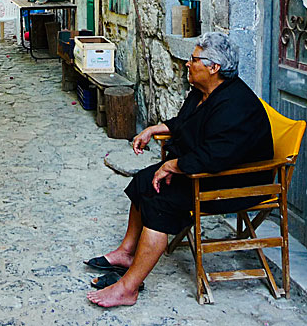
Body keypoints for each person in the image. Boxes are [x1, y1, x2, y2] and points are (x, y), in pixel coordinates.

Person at [85, 32, 272, 308]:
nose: (187, 63)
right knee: (145, 179)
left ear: (214, 67)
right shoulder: (202, 92)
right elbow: (186, 124)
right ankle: (127, 252)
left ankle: (128, 288)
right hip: (206, 170)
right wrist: (155, 129)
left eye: (194, 59)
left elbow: (216, 156)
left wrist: (175, 165)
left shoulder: (235, 105)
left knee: (162, 200)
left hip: (235, 183)